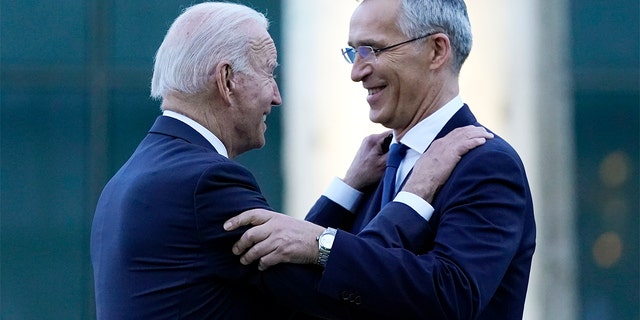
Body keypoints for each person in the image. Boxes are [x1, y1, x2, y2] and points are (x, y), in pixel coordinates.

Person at [90, 1, 491, 319]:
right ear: (227, 81)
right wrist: (416, 192)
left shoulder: (134, 177)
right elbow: (337, 292)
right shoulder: (206, 184)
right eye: (269, 73)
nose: (276, 96)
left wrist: (347, 191)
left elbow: (294, 256)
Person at [225, 0, 536, 319]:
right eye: (354, 52)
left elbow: (451, 297)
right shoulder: (374, 166)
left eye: (373, 50)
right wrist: (346, 191)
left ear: (436, 51)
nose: (357, 72)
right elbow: (305, 284)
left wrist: (323, 244)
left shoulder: (486, 163)